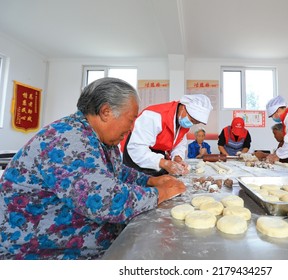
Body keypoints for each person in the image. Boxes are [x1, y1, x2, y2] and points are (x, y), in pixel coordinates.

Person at [0, 78, 185, 260]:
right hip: (40, 253)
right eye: (131, 120)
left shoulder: (100, 139)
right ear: (106, 112)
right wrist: (159, 193)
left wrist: (149, 180)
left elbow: (117, 171)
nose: (131, 128)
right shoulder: (66, 139)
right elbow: (105, 201)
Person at [123, 94, 213, 176]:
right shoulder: (153, 116)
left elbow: (179, 144)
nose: (191, 123)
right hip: (135, 156)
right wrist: (164, 163)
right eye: (192, 119)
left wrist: (177, 159)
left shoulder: (182, 123)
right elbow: (136, 148)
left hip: (157, 154)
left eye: (195, 123)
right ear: (183, 107)